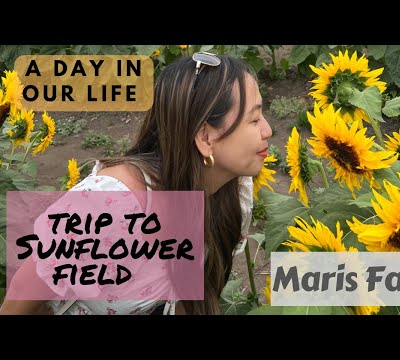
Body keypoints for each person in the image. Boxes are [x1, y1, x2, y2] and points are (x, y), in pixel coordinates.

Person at [0, 52, 272, 315]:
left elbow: (186, 298)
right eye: (254, 119)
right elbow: (19, 301)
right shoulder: (106, 208)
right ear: (205, 137)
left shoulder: (230, 192)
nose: (267, 130)